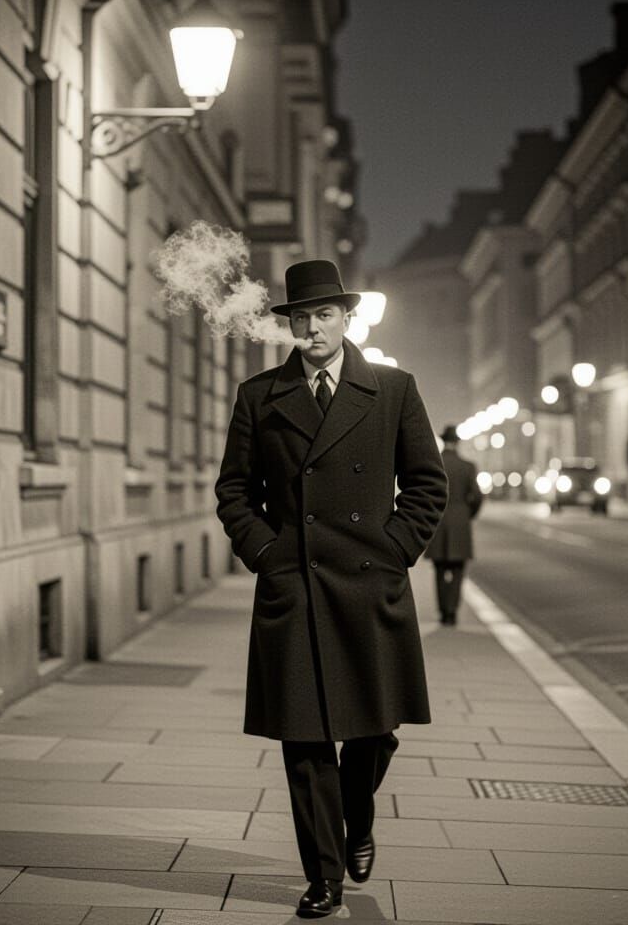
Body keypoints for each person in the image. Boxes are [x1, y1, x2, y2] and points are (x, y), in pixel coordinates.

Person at [215, 259, 447, 918]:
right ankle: (324, 876)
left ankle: (359, 813)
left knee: (375, 732)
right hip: (296, 587)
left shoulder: (394, 390)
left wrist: (396, 548)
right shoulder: (259, 396)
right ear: (288, 324)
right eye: (300, 317)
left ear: (348, 319)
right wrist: (267, 553)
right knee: (306, 739)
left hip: (370, 587)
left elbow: (429, 484)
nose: (312, 327)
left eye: (324, 315)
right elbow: (234, 491)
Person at [425, 424, 483, 625]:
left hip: (438, 522)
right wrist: (467, 514)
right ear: (457, 443)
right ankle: (452, 611)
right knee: (458, 571)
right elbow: (476, 496)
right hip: (460, 522)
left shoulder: (434, 462)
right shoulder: (467, 466)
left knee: (440, 570)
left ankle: (443, 611)